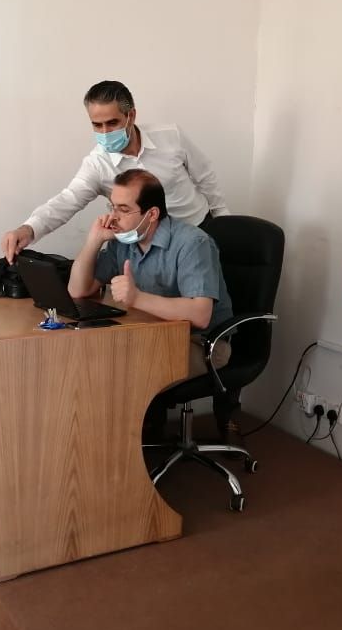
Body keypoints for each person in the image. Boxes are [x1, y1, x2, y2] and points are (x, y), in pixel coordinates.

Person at [68, 168, 233, 435]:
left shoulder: (193, 243)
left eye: (123, 209)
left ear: (152, 214)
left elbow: (201, 315)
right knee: (90, 362)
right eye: (112, 206)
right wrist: (93, 241)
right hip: (150, 334)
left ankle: (124, 451)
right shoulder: (123, 241)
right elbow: (79, 289)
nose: (113, 217)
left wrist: (137, 298)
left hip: (201, 343)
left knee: (122, 375)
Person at [1, 80, 229, 263]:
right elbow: (67, 200)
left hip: (199, 228)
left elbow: (205, 175)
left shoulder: (171, 135)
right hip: (148, 246)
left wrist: (225, 221)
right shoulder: (97, 164)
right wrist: (29, 229)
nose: (104, 132)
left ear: (131, 116)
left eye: (112, 123)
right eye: (96, 125)